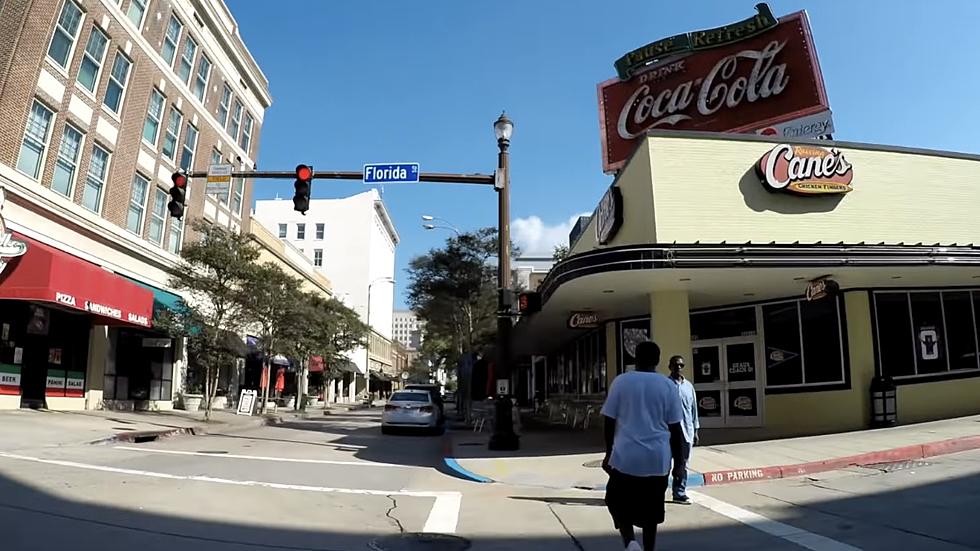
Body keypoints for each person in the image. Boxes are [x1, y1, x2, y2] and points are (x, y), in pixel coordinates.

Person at [602, 341, 685, 551]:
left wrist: (608, 453)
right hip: (658, 459)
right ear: (657, 361)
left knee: (616, 501)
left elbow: (609, 422)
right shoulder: (668, 386)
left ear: (634, 358)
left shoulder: (621, 382)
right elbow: (676, 430)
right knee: (651, 513)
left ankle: (630, 541)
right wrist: (680, 464)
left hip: (626, 458)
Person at [667, 355, 699, 504]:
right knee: (664, 464)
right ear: (670, 367)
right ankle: (656, 493)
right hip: (668, 432)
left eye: (681, 365)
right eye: (675, 365)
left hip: (687, 431)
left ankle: (679, 492)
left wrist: (696, 430)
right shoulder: (665, 385)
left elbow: (694, 410)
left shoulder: (689, 386)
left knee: (682, 464)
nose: (678, 368)